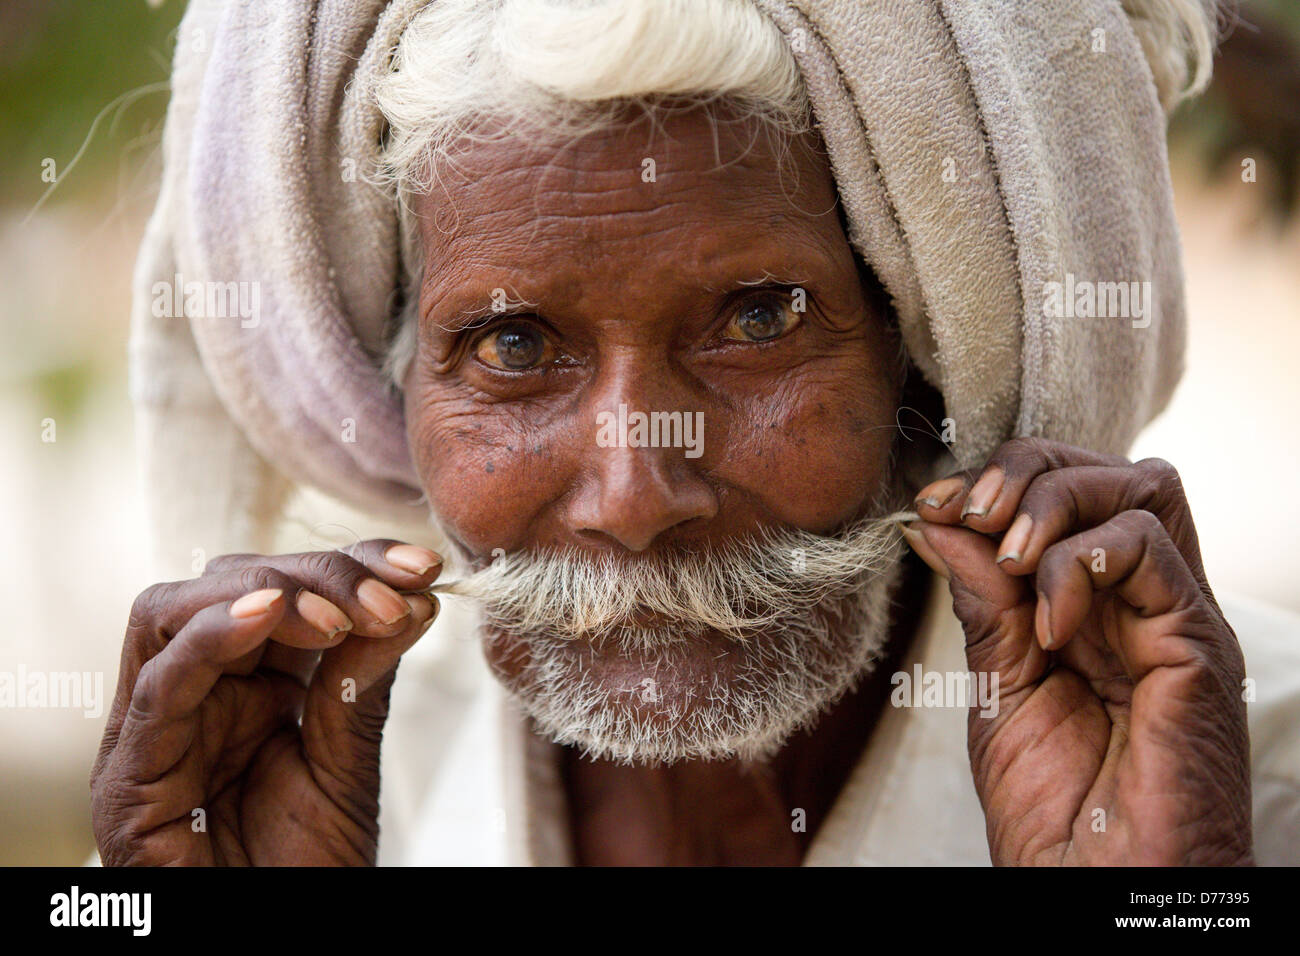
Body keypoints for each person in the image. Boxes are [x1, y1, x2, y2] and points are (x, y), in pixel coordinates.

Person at [92, 0, 1300, 865]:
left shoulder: (1252, 775)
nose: (630, 492)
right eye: (513, 346)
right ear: (397, 384)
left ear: (922, 355)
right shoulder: (296, 800)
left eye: (759, 319)